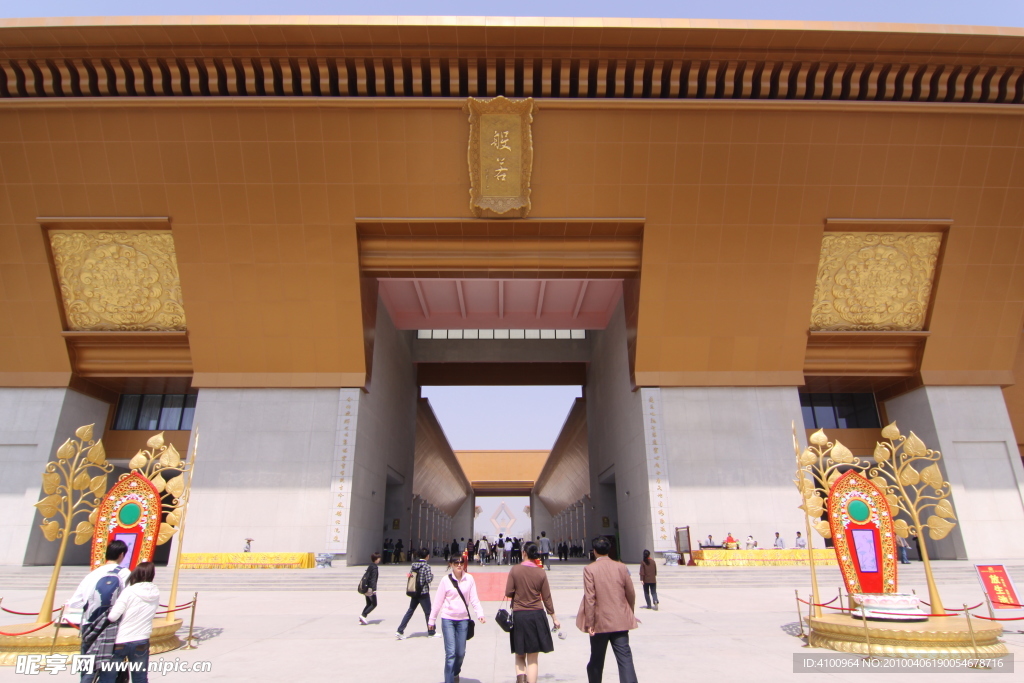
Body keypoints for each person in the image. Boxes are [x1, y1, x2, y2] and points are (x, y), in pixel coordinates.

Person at [577, 536, 639, 683]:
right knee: (625, 659)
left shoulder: (589, 569)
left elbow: (590, 598)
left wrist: (590, 623)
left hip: (600, 622)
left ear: (595, 552)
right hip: (620, 620)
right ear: (609, 549)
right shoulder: (621, 567)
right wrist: (629, 613)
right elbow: (630, 592)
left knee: (597, 659)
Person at [68, 540, 130, 682]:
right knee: (107, 667)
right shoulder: (125, 573)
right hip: (109, 627)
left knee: (86, 667)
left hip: (88, 625)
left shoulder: (92, 574)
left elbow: (75, 602)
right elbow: (126, 602)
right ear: (121, 555)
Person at [506, 541, 560, 683]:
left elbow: (508, 592)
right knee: (533, 658)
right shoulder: (540, 572)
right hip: (537, 615)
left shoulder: (515, 570)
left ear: (524, 553)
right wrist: (554, 617)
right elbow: (546, 597)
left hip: (519, 615)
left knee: (519, 654)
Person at [428, 555, 487, 683]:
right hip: (448, 619)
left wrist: (480, 614)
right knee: (450, 654)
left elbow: (474, 598)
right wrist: (431, 620)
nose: (459, 565)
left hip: (463, 620)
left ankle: (455, 673)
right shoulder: (445, 580)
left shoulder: (469, 579)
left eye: (461, 562)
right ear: (451, 564)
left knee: (460, 653)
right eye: (456, 563)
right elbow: (438, 601)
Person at [101, 561, 160, 683]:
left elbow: (113, 616)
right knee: (140, 678)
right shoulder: (156, 593)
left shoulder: (129, 591)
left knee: (108, 678)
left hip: (121, 640)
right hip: (141, 639)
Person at [396, 548, 435, 639]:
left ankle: (400, 630)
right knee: (428, 612)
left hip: (414, 592)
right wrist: (432, 575)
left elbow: (411, 575)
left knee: (410, 611)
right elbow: (429, 579)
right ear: (427, 556)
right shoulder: (426, 566)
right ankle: (431, 632)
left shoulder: (414, 565)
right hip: (423, 592)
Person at [359, 552, 382, 624]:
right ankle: (363, 615)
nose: (379, 559)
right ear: (376, 559)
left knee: (368, 604)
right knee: (374, 604)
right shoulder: (374, 567)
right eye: (378, 558)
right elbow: (373, 579)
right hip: (370, 588)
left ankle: (362, 618)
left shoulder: (370, 566)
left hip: (366, 587)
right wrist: (374, 590)